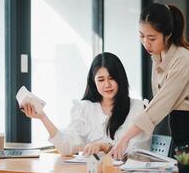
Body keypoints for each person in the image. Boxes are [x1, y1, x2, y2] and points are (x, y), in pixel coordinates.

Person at [111, 3, 189, 159]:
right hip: (178, 132)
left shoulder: (184, 59)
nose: (146, 43)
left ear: (167, 35)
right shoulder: (158, 57)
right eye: (141, 36)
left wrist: (125, 138)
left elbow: (160, 105)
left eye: (152, 38)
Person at [21, 52, 150, 156]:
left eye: (112, 78)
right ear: (93, 82)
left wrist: (104, 147)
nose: (107, 84)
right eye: (101, 79)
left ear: (120, 79)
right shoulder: (84, 108)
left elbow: (139, 154)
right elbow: (66, 148)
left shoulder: (138, 108)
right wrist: (43, 117)